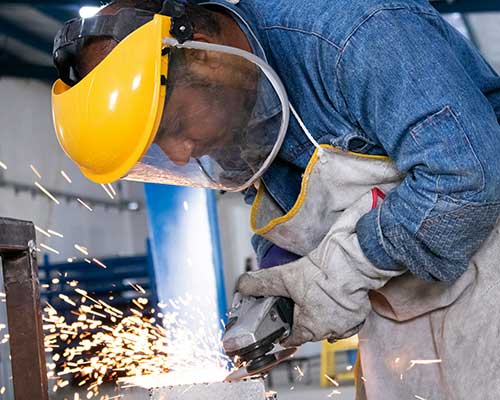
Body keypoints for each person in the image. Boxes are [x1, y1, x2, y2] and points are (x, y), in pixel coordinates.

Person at [51, 0, 500, 398]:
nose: (180, 153)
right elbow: (291, 203)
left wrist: (337, 275)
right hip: (399, 312)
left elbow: (466, 176)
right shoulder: (239, 101)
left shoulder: (356, 34)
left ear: (203, 54)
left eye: (173, 127)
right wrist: (280, 286)